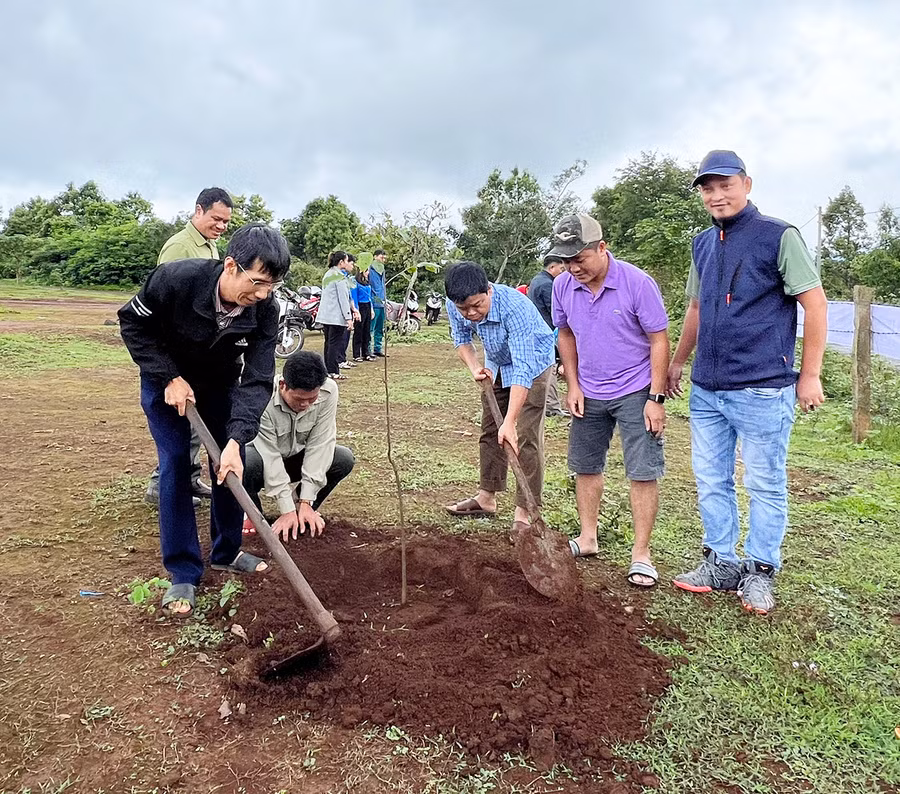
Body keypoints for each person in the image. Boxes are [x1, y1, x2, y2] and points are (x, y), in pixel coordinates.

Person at [667, 150, 827, 615]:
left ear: (747, 184)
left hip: (763, 386)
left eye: (725, 184)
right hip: (707, 389)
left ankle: (760, 571)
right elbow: (695, 309)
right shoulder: (702, 243)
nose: (717, 194)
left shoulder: (779, 236)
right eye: (707, 187)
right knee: (711, 479)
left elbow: (814, 304)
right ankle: (720, 562)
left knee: (764, 481)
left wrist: (810, 375)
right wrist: (679, 362)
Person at [118, 223, 292, 616]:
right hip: (166, 381)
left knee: (232, 461)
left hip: (218, 383)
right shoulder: (176, 280)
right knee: (177, 462)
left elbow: (259, 377)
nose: (263, 294)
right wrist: (168, 376)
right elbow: (132, 323)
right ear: (231, 265)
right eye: (259, 282)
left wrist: (235, 438)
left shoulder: (265, 309)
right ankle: (182, 571)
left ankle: (227, 551)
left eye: (272, 286)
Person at [548, 214, 669, 587]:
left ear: (602, 248)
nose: (573, 268)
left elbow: (659, 339)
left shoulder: (637, 283)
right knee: (585, 465)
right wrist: (572, 383)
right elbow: (564, 333)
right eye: (566, 261)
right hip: (589, 390)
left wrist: (656, 397)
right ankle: (587, 538)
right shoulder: (563, 287)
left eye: (580, 258)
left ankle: (641, 554)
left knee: (642, 469)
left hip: (635, 389)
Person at [444, 261, 555, 527]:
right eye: (464, 308)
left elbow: (523, 368)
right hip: (497, 363)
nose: (470, 313)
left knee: (525, 437)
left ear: (489, 291)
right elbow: (461, 339)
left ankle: (525, 511)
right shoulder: (454, 303)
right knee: (491, 431)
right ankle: (486, 497)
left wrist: (511, 421)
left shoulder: (515, 307)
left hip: (534, 365)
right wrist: (475, 368)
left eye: (477, 305)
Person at [145, 187, 234, 507]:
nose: (221, 226)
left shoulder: (211, 247)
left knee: (196, 422)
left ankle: (189, 479)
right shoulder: (180, 247)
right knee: (177, 427)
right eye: (216, 218)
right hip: (178, 353)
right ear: (198, 211)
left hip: (202, 353)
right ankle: (161, 485)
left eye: (226, 221)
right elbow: (162, 303)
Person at [242, 351, 355, 540]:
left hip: (295, 458)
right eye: (299, 399)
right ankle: (253, 514)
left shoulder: (329, 391)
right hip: (262, 459)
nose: (306, 405)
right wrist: (285, 509)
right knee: (244, 461)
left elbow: (321, 443)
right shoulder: (263, 398)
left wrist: (306, 501)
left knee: (342, 458)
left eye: (312, 399)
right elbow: (270, 455)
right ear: (282, 385)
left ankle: (302, 510)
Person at [529, 255, 567, 417]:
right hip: (547, 333)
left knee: (544, 369)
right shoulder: (547, 284)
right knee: (549, 368)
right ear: (552, 268)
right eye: (561, 269)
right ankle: (551, 406)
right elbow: (556, 311)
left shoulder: (536, 280)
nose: (563, 273)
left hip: (537, 332)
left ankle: (548, 404)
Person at [319, 251, 354, 380]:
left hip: (326, 315)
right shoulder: (338, 276)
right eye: (346, 260)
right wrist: (348, 317)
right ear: (341, 262)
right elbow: (343, 298)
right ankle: (333, 370)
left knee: (328, 343)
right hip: (335, 316)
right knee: (334, 344)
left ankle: (328, 370)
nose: (347, 262)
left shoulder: (328, 274)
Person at [338, 254, 361, 370]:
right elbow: (343, 297)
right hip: (341, 312)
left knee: (346, 336)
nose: (352, 266)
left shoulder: (346, 277)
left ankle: (343, 358)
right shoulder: (338, 277)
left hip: (349, 309)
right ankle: (338, 361)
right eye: (351, 263)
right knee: (341, 337)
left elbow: (349, 296)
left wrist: (354, 309)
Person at [352, 268, 375, 361]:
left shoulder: (367, 282)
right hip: (360, 306)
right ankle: (356, 354)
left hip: (368, 305)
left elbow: (370, 297)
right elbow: (354, 297)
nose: (368, 273)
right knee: (358, 331)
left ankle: (366, 352)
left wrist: (372, 309)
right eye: (366, 271)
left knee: (367, 330)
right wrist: (356, 310)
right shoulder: (355, 282)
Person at [369, 248, 388, 357]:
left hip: (382, 302)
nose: (383, 260)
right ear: (375, 257)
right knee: (371, 328)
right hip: (373, 302)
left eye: (385, 258)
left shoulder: (382, 269)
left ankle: (378, 348)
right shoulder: (370, 269)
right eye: (381, 257)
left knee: (380, 328)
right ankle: (367, 349)